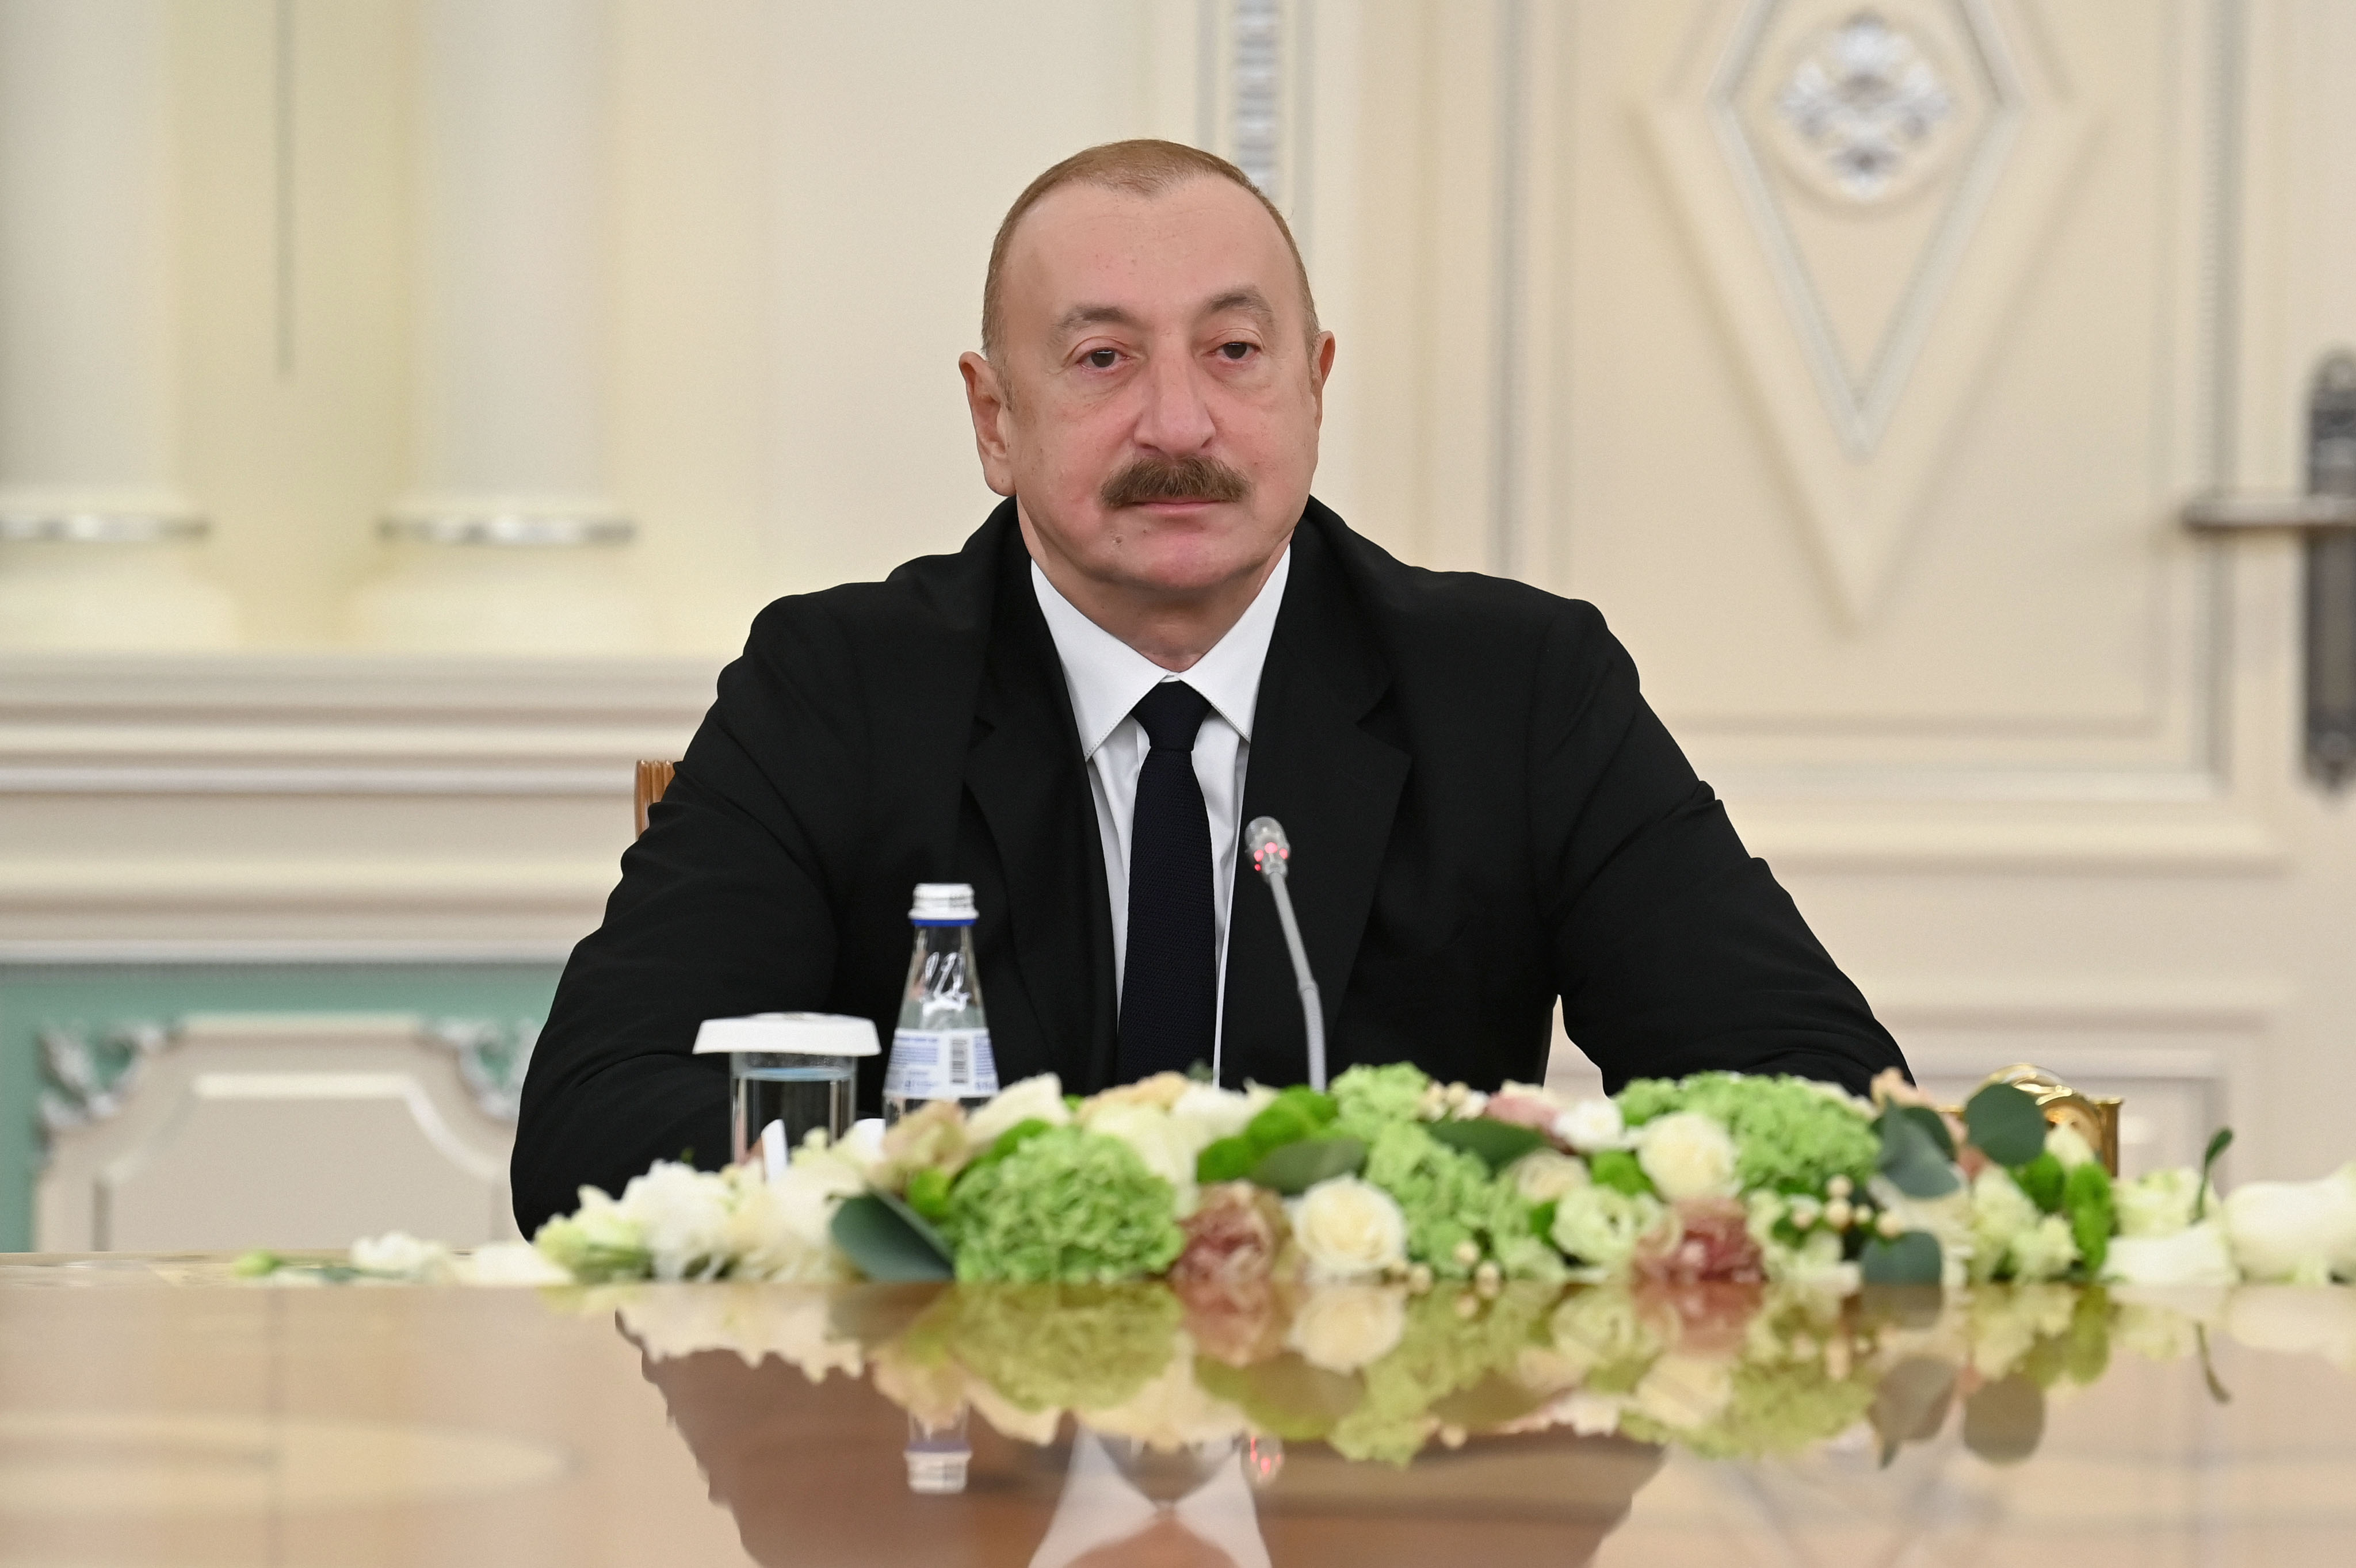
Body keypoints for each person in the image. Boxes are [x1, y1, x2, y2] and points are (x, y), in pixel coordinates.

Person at [511, 139, 1906, 1234]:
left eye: (1233, 353)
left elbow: (1823, 1097)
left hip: (1380, 1457)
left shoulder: (1517, 689)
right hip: (955, 1457)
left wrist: (1510, 1190)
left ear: (1313, 385)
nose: (1177, 423)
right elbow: (592, 1128)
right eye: (1101, 359)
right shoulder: (837, 689)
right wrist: (984, 1188)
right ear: (995, 418)